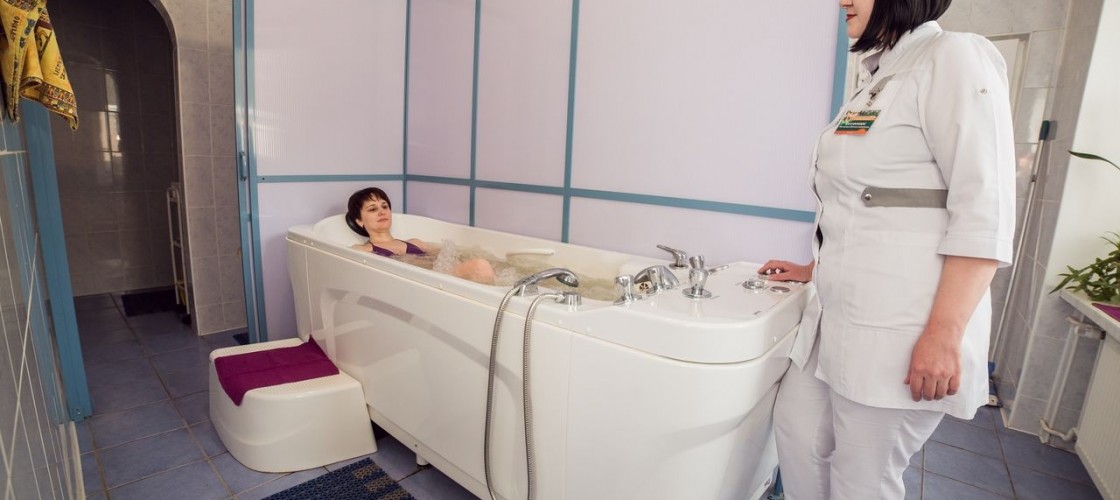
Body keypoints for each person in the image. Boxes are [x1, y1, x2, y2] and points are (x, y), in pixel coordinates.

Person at [757, 0, 1015, 498]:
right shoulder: (879, 75)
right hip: (836, 319)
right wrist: (813, 268)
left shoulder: (953, 57)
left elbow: (986, 212)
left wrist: (944, 334)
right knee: (796, 434)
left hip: (903, 330)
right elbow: (866, 202)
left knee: (862, 480)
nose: (843, 1)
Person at [346, 187, 497, 284]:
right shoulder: (364, 251)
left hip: (441, 281)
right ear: (359, 221)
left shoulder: (416, 243)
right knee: (480, 266)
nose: (382, 212)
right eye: (373, 209)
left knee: (482, 264)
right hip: (424, 286)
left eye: (385, 206)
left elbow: (452, 255)